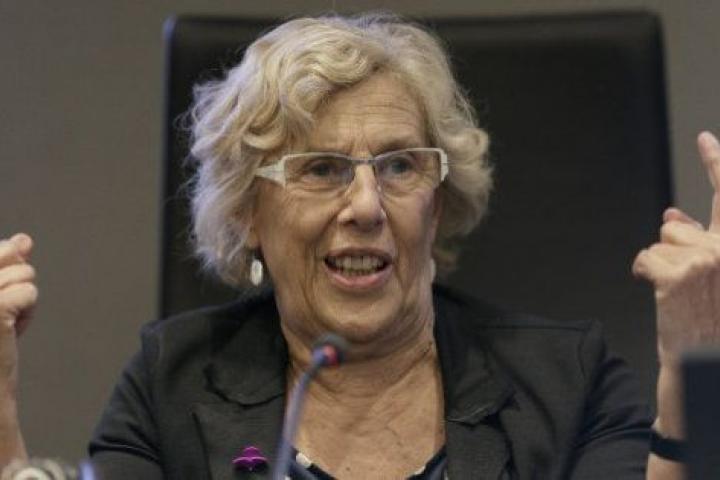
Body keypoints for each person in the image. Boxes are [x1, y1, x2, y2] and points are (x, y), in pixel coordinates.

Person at [1, 13, 719, 479]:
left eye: (400, 166)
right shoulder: (171, 384)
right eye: (321, 170)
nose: (367, 207)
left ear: (438, 203)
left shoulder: (567, 380)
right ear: (249, 212)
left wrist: (700, 363)